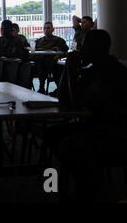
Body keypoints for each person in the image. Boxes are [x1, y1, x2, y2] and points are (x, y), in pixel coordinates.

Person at [46, 29, 127, 201]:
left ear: (95, 48)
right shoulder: (93, 69)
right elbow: (64, 100)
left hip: (115, 129)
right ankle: (85, 175)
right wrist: (69, 69)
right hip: (98, 124)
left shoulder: (112, 72)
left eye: (84, 46)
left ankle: (90, 189)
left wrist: (73, 71)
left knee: (70, 145)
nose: (81, 50)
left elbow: (78, 102)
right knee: (52, 134)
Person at [34, 22, 69, 94]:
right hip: (41, 63)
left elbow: (65, 51)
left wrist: (58, 55)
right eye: (45, 28)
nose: (46, 30)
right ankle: (41, 88)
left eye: (48, 28)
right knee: (39, 63)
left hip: (54, 62)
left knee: (53, 66)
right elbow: (36, 52)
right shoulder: (39, 41)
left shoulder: (59, 40)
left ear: (53, 29)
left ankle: (58, 89)